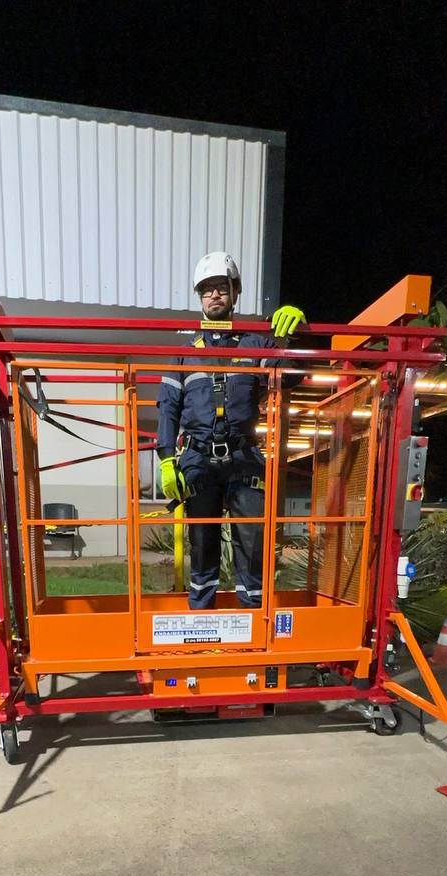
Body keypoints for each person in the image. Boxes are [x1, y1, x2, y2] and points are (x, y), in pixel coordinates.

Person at [156, 251, 305, 610]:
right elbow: (168, 408)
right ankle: (201, 612)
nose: (215, 295)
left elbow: (292, 377)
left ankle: (253, 614)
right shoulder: (183, 355)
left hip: (244, 457)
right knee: (202, 541)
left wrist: (296, 337)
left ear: (235, 293)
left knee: (252, 540)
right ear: (200, 298)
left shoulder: (256, 345)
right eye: (207, 290)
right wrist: (166, 459)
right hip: (197, 458)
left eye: (221, 288)